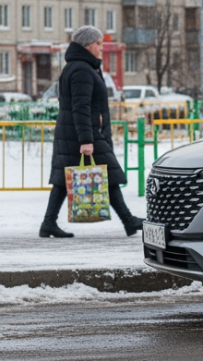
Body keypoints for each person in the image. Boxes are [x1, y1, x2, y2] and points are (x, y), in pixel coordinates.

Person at [41, 26, 144, 238]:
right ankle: (128, 220)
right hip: (83, 133)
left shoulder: (80, 67)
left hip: (74, 131)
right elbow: (81, 107)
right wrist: (87, 140)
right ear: (87, 45)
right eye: (98, 44)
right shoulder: (81, 70)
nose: (101, 48)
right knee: (109, 173)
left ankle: (48, 223)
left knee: (64, 178)